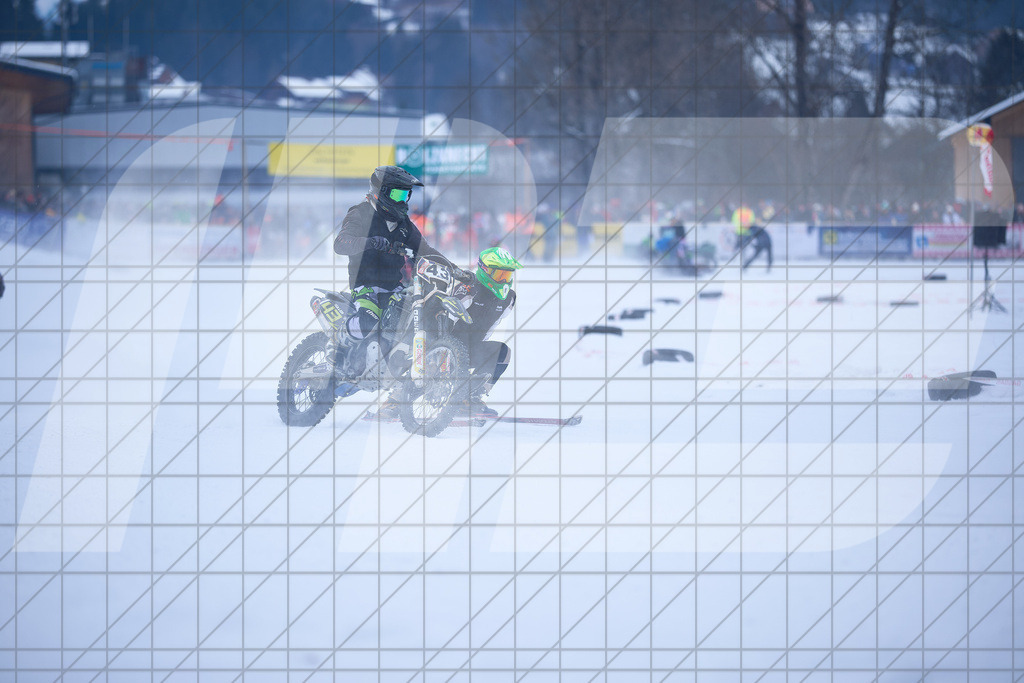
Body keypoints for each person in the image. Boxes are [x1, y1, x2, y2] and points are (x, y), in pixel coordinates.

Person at [450, 246, 523, 417]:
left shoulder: (509, 298)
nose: (504, 280)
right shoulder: (469, 288)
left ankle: (470, 399)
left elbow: (491, 327)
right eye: (499, 275)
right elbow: (445, 319)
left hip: (470, 348)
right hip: (445, 347)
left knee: (502, 353)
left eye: (507, 275)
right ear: (484, 271)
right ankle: (396, 399)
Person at [732, 206, 772, 272]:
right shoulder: (754, 228)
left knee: (759, 255)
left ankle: (746, 266)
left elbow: (750, 238)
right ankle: (768, 267)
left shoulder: (753, 229)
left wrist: (755, 246)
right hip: (765, 242)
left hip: (765, 242)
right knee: (765, 255)